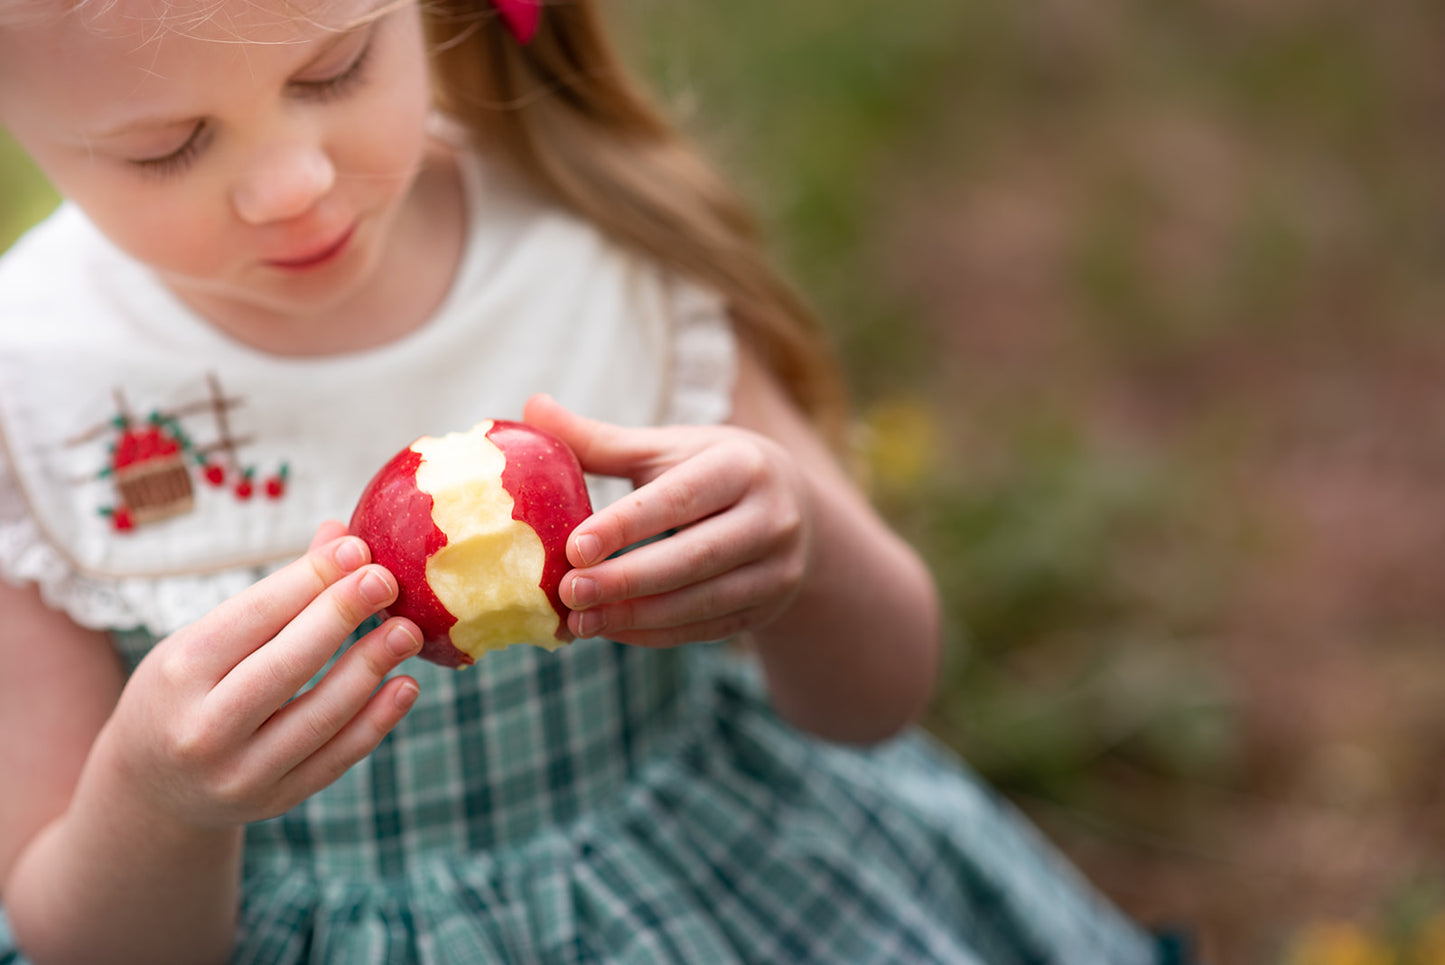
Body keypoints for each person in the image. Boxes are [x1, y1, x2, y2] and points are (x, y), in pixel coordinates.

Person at [0, 1, 1172, 962]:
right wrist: (159, 801)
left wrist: (800, 548)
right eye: (169, 146)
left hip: (710, 891)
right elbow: (83, 940)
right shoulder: (33, 391)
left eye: (337, 69)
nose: (293, 183)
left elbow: (877, 698)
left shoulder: (592, 254)